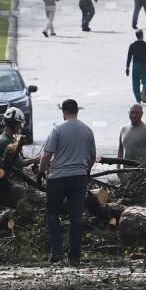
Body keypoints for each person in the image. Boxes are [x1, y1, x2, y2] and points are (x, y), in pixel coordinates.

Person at [39, 99, 96, 266]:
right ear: (77, 110)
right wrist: (86, 170)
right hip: (78, 177)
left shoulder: (57, 129)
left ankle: (57, 252)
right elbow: (92, 157)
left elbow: (48, 154)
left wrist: (41, 171)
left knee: (52, 213)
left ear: (63, 112)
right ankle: (74, 256)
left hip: (58, 177)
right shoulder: (87, 130)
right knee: (76, 216)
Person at [0, 107, 35, 182]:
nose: (20, 127)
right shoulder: (6, 141)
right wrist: (34, 160)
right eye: (19, 124)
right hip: (11, 180)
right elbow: (17, 164)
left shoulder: (8, 137)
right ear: (13, 123)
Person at [125, 29, 146, 103]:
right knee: (145, 81)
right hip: (144, 65)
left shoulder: (132, 45)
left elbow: (129, 57)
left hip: (135, 66)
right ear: (142, 35)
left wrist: (127, 68)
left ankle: (138, 99)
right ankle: (144, 91)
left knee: (135, 83)